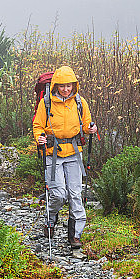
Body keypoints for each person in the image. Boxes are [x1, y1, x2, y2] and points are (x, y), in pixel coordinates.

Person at [32, 65, 98, 249]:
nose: (66, 89)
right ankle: (50, 220)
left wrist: (91, 129)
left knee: (76, 195)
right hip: (53, 155)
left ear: (74, 85)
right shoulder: (46, 103)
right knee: (59, 194)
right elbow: (37, 125)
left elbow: (85, 125)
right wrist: (40, 138)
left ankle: (75, 236)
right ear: (55, 86)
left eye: (69, 85)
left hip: (74, 154)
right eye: (62, 86)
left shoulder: (79, 102)